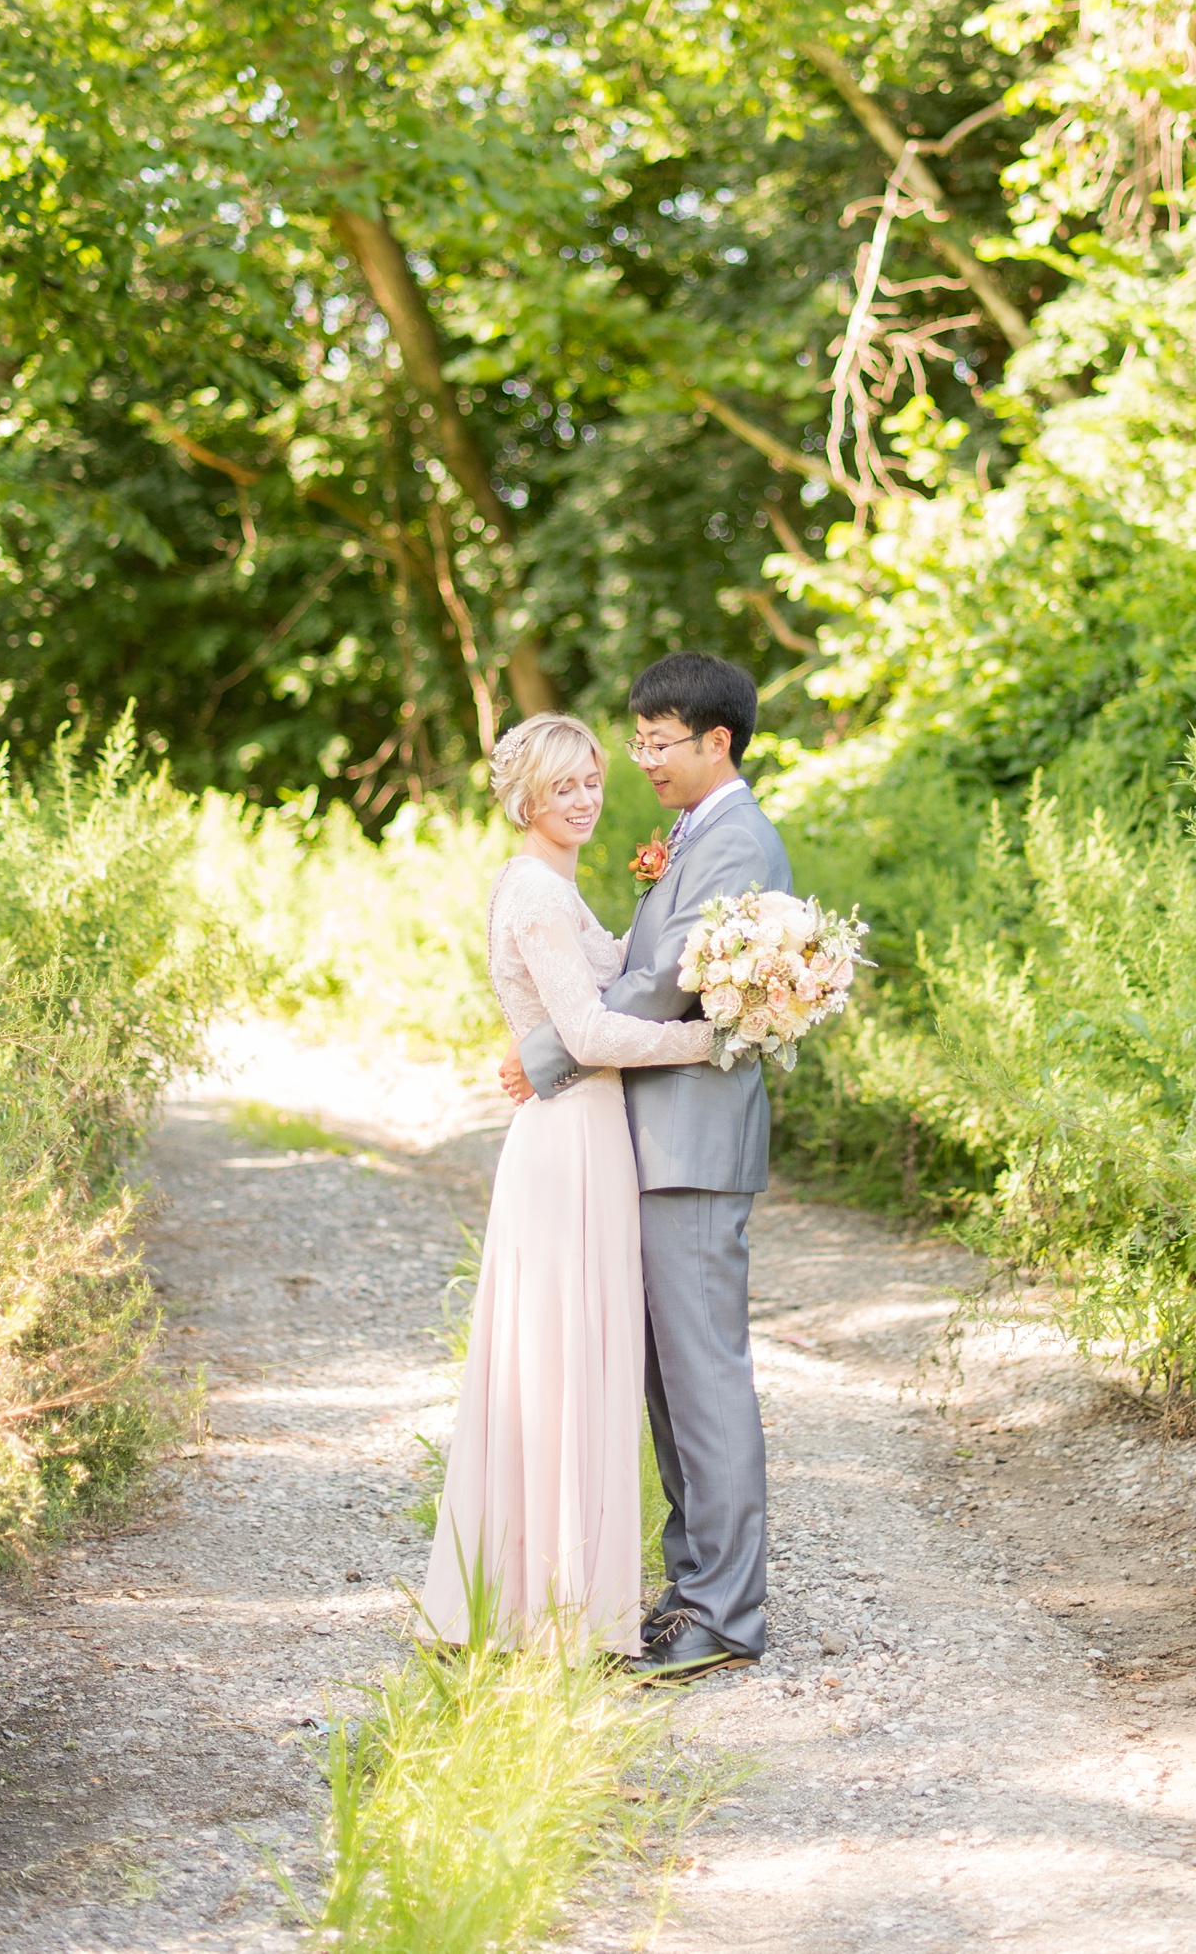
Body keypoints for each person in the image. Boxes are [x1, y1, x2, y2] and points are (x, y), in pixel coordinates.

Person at [503, 653, 790, 1680]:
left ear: (716, 741)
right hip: (655, 1140)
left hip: (694, 1144)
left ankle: (725, 1610)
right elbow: (639, 955)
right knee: (668, 1383)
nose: (642, 760)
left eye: (657, 741)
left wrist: (543, 1050)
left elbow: (667, 980)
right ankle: (691, 1589)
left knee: (702, 1379)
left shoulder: (737, 844)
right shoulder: (688, 836)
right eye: (638, 739)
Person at [419, 712, 716, 1657]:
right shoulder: (536, 893)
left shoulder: (552, 881)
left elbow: (600, 997)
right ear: (526, 797)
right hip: (568, 1142)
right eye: (565, 787)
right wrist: (706, 1040)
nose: (585, 799)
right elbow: (589, 1036)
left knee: (573, 1360)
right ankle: (548, 1611)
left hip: (586, 1131)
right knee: (558, 1363)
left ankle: (554, 1597)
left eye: (592, 781)